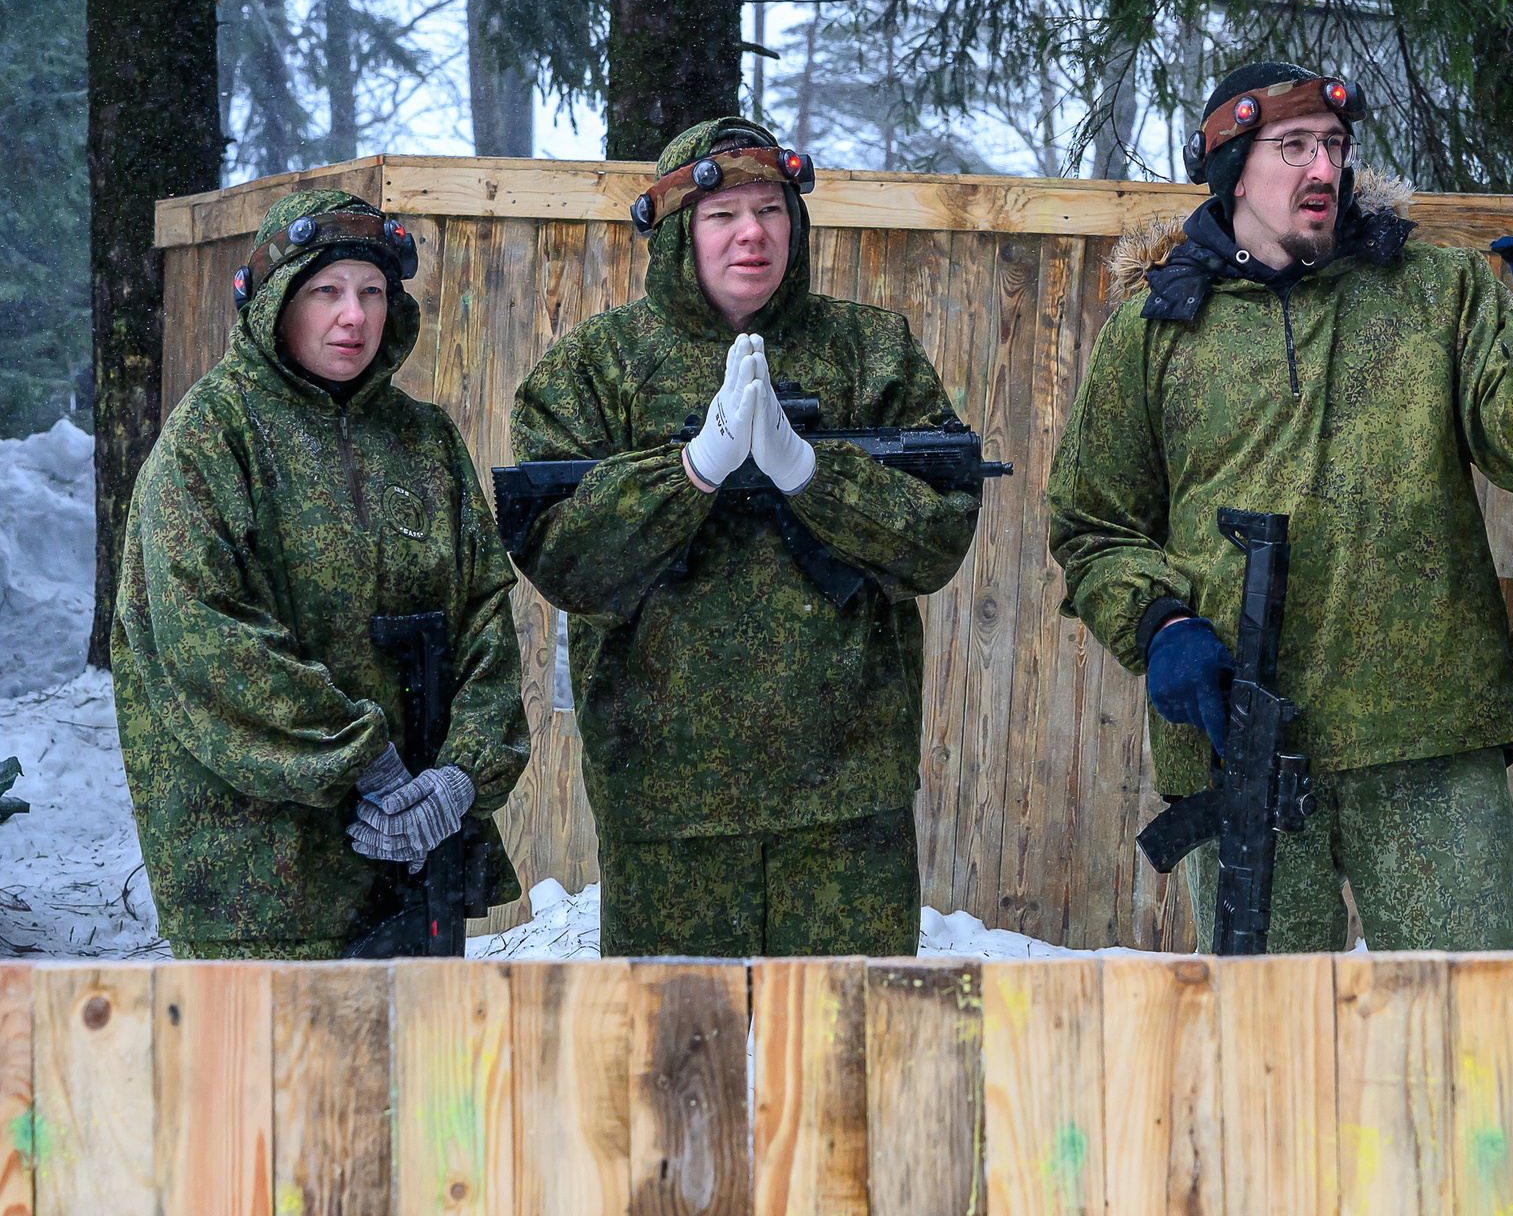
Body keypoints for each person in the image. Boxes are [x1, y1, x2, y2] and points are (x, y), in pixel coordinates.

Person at [1048, 61, 1513, 952]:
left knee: (1466, 1035)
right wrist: (1160, 626)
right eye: (1294, 146)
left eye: (1336, 146)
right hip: (1242, 746)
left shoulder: (1436, 293)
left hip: (1428, 740)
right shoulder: (1154, 332)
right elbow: (1092, 522)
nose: (1323, 168)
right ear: (1234, 167)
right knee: (1271, 1051)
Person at [509, 117, 983, 957]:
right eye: (721, 215)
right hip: (665, 801)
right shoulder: (597, 366)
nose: (752, 233)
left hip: (844, 800)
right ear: (678, 230)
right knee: (679, 1064)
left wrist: (808, 474)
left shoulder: (872, 351)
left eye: (770, 209)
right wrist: (690, 471)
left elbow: (936, 536)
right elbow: (562, 555)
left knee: (847, 1058)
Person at [114, 189, 529, 959]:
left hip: (413, 867)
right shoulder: (211, 437)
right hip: (261, 886)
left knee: (419, 1076)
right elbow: (204, 637)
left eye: (372, 291)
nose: (355, 316)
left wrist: (458, 781)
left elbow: (485, 621)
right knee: (269, 1079)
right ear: (275, 300)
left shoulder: (424, 440)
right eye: (326, 291)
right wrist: (361, 757)